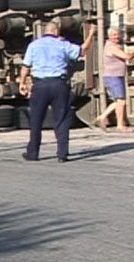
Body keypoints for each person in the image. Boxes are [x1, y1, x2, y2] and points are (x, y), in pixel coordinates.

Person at [19, 20, 96, 163]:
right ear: (56, 32)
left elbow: (25, 66)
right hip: (59, 84)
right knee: (61, 119)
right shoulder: (63, 45)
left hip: (40, 85)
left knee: (36, 120)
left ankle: (33, 153)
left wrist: (22, 82)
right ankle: (62, 154)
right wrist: (91, 34)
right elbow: (83, 50)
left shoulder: (34, 45)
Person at [96, 27, 134, 132]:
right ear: (109, 36)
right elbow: (126, 57)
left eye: (117, 35)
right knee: (121, 101)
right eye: (114, 35)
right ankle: (120, 126)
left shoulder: (115, 46)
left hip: (117, 75)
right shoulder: (111, 47)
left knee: (118, 101)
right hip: (113, 76)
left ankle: (102, 117)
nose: (116, 37)